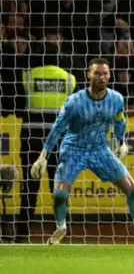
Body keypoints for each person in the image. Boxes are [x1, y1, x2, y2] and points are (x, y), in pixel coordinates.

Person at [30, 58, 134, 245]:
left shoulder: (116, 99)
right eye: (97, 73)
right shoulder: (74, 102)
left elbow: (119, 121)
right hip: (74, 149)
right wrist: (43, 156)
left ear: (109, 75)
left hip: (100, 149)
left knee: (132, 189)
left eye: (105, 73)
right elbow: (57, 128)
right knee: (59, 196)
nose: (102, 77)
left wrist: (121, 141)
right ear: (89, 74)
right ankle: (61, 228)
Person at [14, 49, 76, 243]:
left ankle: (22, 235)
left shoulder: (28, 76)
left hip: (32, 138)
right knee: (58, 187)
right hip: (59, 140)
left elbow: (16, 107)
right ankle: (64, 232)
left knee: (29, 188)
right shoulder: (69, 79)